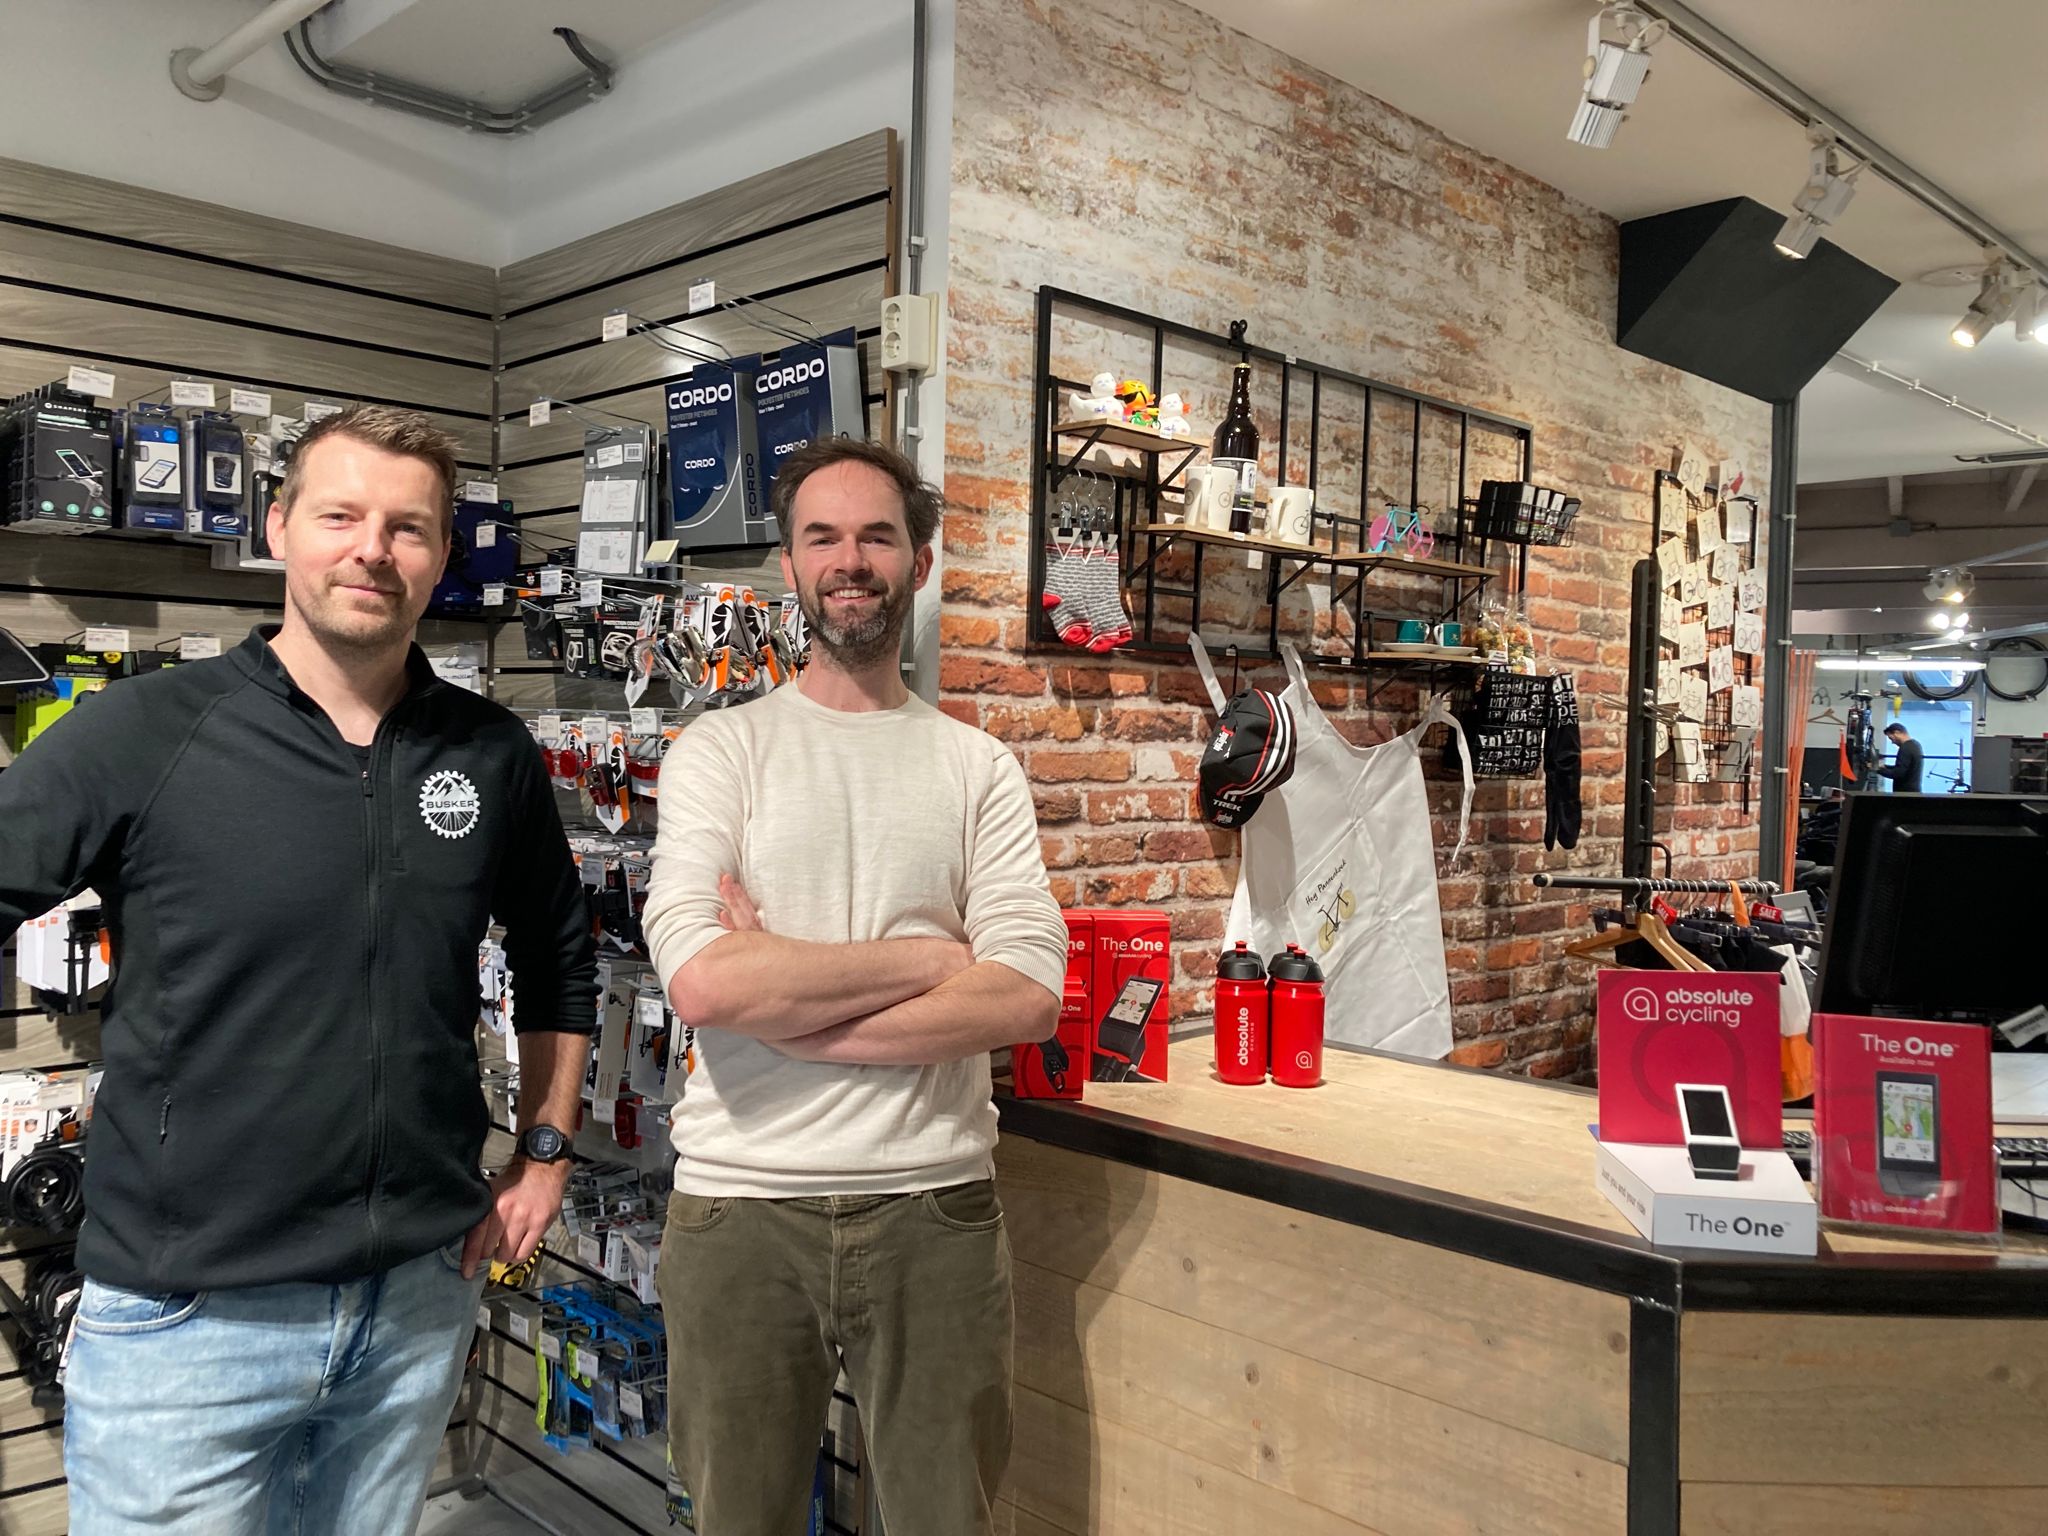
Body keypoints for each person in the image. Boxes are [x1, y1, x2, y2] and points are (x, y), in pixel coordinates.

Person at [0, 405, 597, 1534]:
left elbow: (559, 954)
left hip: (416, 1302)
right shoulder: (145, 730)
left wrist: (546, 1155)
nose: (373, 549)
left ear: (441, 553)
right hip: (189, 1320)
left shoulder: (489, 750)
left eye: (407, 527)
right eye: (340, 516)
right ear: (278, 528)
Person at [642, 436, 1066, 1535]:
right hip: (740, 1210)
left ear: (918, 562)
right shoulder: (717, 754)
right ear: (789, 565)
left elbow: (1027, 995)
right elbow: (704, 983)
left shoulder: (977, 768)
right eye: (821, 537)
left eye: (877, 536)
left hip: (936, 1208)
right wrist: (932, 960)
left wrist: (795, 1017)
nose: (850, 561)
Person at [1877, 722, 1925, 793]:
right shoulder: (1916, 744)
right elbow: (1904, 768)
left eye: (1891, 738)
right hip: (1914, 792)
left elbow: (1898, 774)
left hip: (1905, 793)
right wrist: (1885, 767)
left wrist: (1877, 770)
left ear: (1897, 732)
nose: (1892, 742)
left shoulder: (1905, 748)